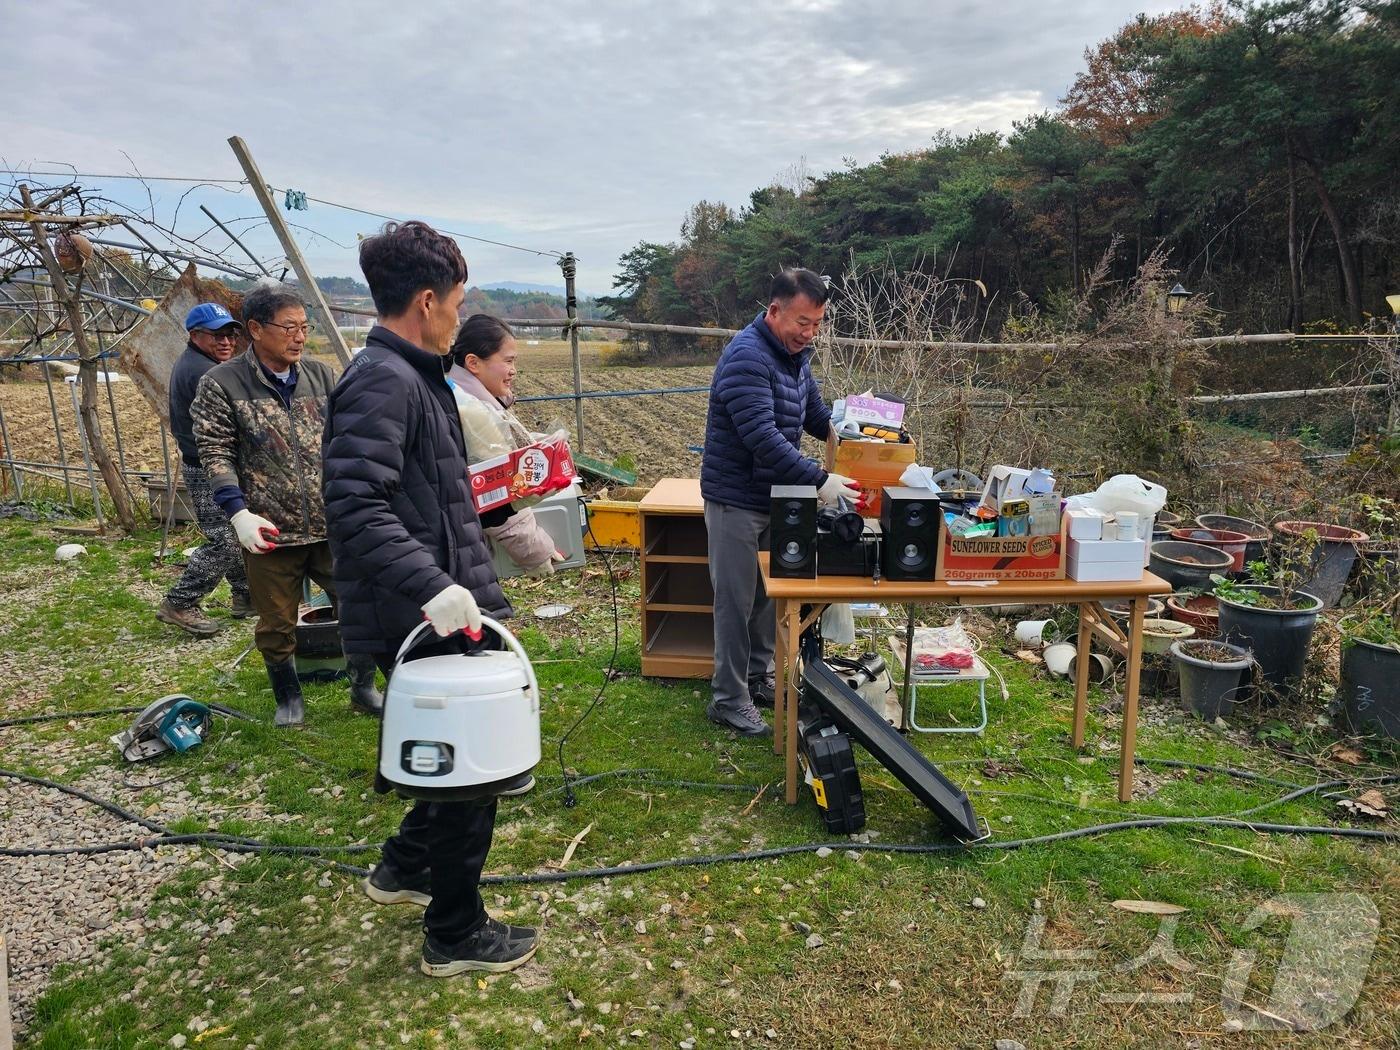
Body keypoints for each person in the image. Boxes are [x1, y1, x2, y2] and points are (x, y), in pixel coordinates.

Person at [322, 220, 537, 977]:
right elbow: (354, 505)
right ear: (425, 300)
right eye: (456, 298)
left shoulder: (416, 375)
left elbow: (423, 493)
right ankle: (455, 935)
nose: (459, 311)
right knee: (470, 775)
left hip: (438, 594)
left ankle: (404, 867)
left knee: (453, 761)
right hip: (415, 608)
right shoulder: (384, 381)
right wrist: (436, 585)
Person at [190, 284, 383, 726]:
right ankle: (288, 697)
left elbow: (349, 440)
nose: (299, 337)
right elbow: (215, 451)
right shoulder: (221, 384)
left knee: (357, 605)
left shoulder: (322, 376)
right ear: (255, 329)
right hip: (270, 528)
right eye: (289, 328)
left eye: (304, 327)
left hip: (332, 522)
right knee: (276, 622)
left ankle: (363, 688)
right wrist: (239, 514)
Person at [699, 268, 859, 737]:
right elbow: (763, 439)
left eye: (816, 324)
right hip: (736, 499)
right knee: (734, 599)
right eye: (802, 322)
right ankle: (728, 698)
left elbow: (812, 414)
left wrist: (851, 423)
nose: (809, 333)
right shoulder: (747, 358)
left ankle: (758, 676)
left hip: (774, 496)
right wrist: (821, 479)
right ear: (774, 311)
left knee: (770, 595)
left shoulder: (796, 357)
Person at [155, 302, 253, 637]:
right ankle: (181, 602)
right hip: (208, 467)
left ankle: (247, 595)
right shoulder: (203, 372)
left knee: (236, 532)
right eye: (216, 335)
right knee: (225, 540)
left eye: (230, 334)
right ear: (195, 335)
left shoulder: (201, 363)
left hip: (208, 463)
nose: (226, 341)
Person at [447, 314, 564, 575]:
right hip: (460, 551)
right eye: (507, 361)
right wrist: (536, 551)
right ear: (474, 363)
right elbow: (497, 490)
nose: (513, 370)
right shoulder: (475, 412)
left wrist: (541, 443)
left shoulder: (457, 391)